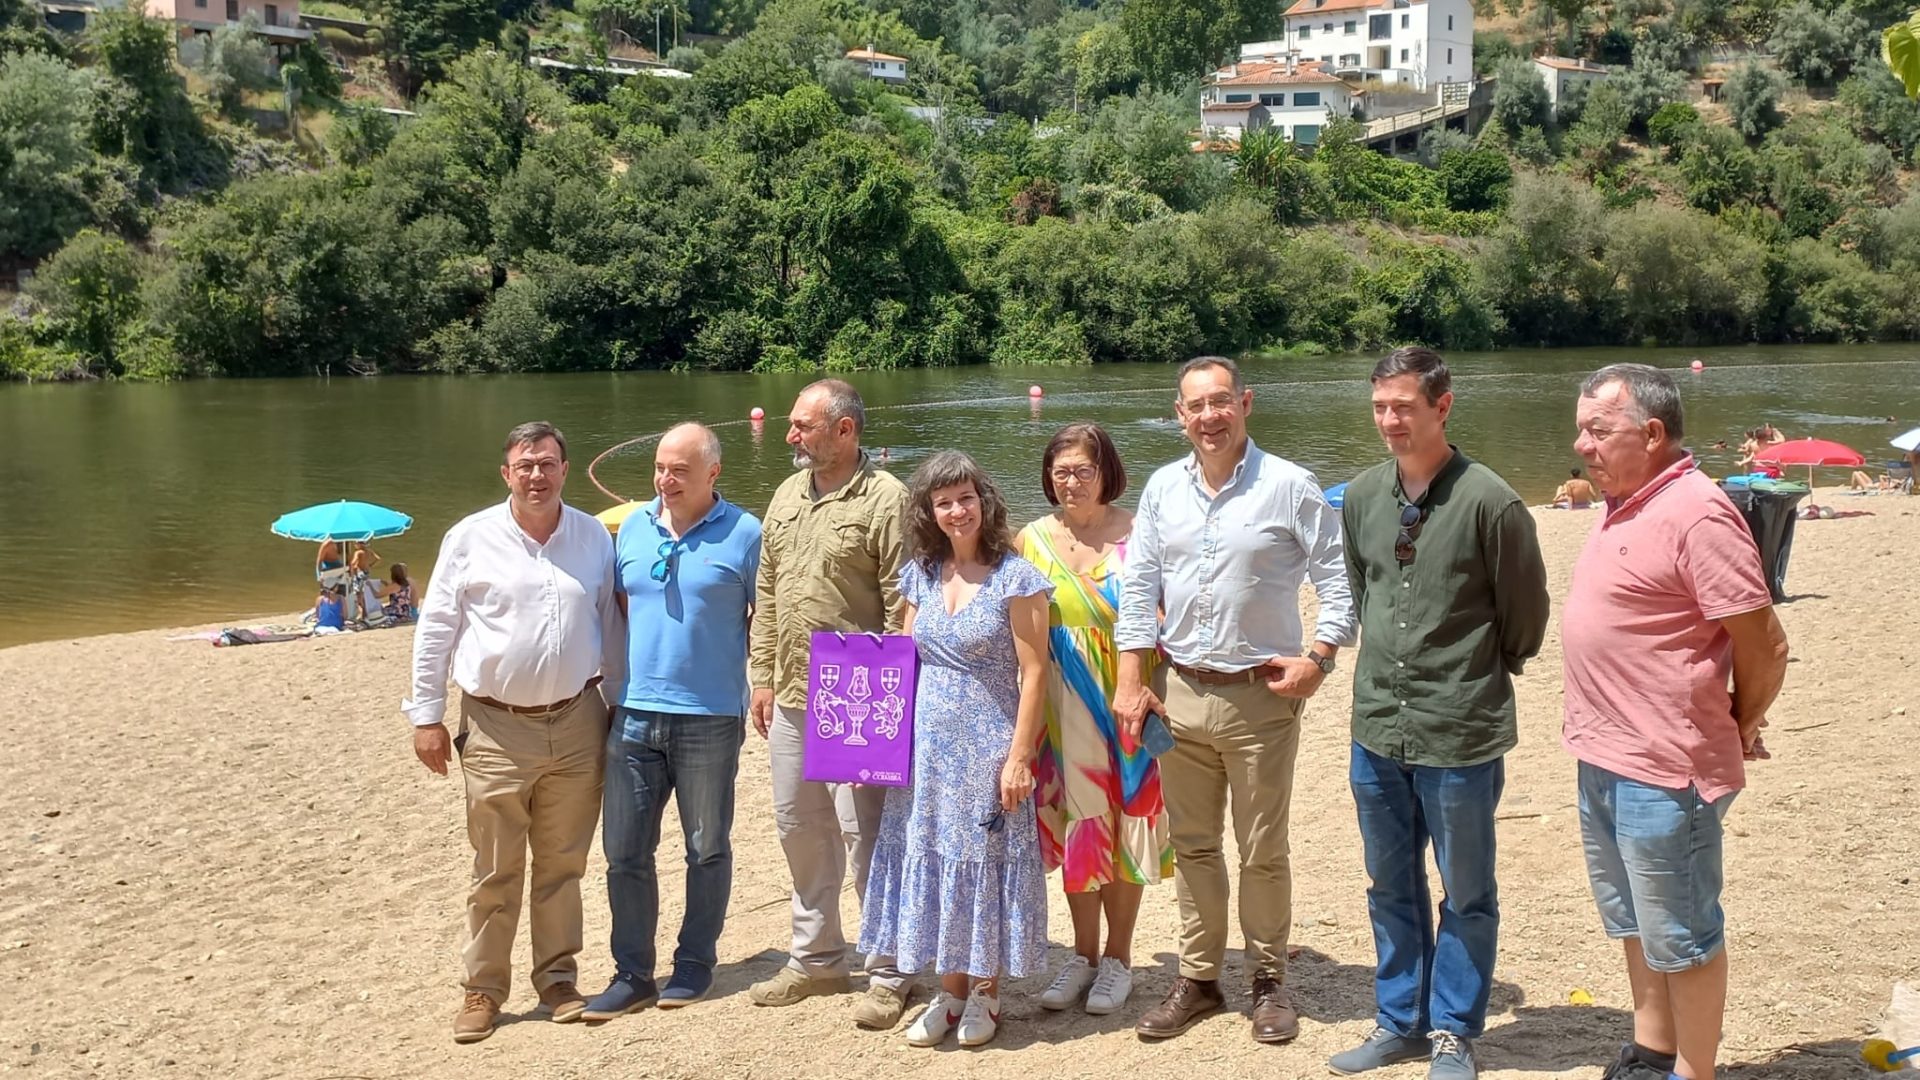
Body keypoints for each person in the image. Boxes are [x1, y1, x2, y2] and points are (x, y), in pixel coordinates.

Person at [1114, 355, 1358, 1045]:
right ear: (1179, 414)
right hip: (1179, 693)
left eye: (1220, 401)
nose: (1209, 417)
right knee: (1192, 847)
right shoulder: (1163, 488)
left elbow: (1337, 580)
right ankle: (1198, 978)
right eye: (1196, 406)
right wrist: (1130, 680)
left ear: (1245, 403)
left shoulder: (1290, 485)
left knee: (1262, 849)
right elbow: (1139, 588)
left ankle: (1268, 980)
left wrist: (1320, 658)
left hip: (1261, 697)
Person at [1562, 365, 1789, 1080]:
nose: (1582, 445)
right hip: (1604, 754)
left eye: (1599, 430)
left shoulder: (1698, 512)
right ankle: (1652, 1049)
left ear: (1653, 433)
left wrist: (1740, 722)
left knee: (1683, 935)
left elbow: (1765, 644)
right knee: (1634, 920)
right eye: (1581, 430)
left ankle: (1694, 1071)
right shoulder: (1625, 501)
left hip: (1666, 768)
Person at [1331, 348, 1551, 1080]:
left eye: (1404, 407)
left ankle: (1453, 1030)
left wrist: (1467, 674)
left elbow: (1525, 617)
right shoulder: (1362, 496)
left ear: (1443, 406)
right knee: (1390, 884)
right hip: (1376, 726)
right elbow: (1364, 594)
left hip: (1459, 728)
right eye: (1380, 407)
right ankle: (1399, 1021)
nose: (1390, 421)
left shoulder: (1491, 501)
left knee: (1467, 890)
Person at [404, 421, 627, 1045]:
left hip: (579, 719)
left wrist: (619, 702)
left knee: (563, 863)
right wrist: (426, 716)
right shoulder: (469, 538)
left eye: (547, 463)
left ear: (565, 469)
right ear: (507, 473)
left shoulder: (592, 536)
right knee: (496, 867)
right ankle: (483, 989)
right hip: (495, 726)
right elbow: (437, 628)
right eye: (525, 465)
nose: (536, 475)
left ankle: (557, 979)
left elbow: (610, 626)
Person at [860, 451, 1052, 1048]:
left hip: (987, 745)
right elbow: (903, 657)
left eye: (965, 498)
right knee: (934, 855)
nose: (957, 511)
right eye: (943, 502)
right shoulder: (920, 573)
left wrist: (1019, 757)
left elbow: (1035, 672)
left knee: (980, 862)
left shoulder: (1017, 577)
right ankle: (951, 992)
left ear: (983, 501)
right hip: (926, 749)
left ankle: (986, 993)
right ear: (930, 511)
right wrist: (874, 740)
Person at [747, 379, 916, 1029]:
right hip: (791, 689)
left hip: (859, 688)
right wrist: (762, 675)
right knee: (800, 826)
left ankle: (889, 968)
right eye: (791, 424)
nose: (790, 435)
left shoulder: (887, 498)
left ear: (844, 430)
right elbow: (768, 589)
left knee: (865, 832)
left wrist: (894, 702)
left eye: (802, 425)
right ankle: (817, 959)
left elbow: (903, 603)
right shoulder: (787, 494)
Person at [584, 424, 762, 1020]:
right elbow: (620, 608)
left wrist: (753, 680)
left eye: (680, 470)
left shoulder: (746, 533)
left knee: (705, 847)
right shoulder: (632, 528)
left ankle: (694, 963)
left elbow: (763, 618)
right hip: (634, 713)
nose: (666, 480)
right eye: (660, 468)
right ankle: (632, 974)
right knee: (624, 852)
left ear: (713, 473)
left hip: (710, 716)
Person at [1016, 423, 1170, 1017]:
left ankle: (1118, 958)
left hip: (1128, 698)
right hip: (1060, 707)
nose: (1071, 482)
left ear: (1106, 471)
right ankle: (1081, 955)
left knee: (1127, 823)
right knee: (1080, 823)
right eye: (1060, 472)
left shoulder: (1140, 533)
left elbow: (1170, 612)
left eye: (1083, 470)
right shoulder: (1031, 540)